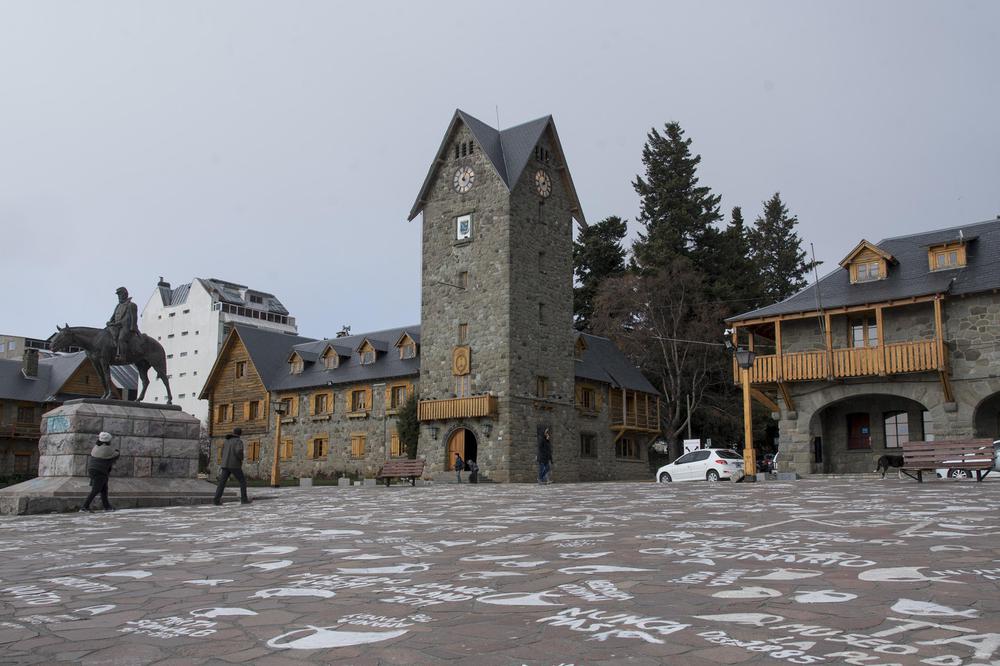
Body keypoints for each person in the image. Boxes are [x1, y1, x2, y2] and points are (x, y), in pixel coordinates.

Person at [81, 431, 120, 512]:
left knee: (104, 489)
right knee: (96, 489)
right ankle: (84, 507)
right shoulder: (107, 449)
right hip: (100, 471)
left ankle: (107, 507)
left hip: (93, 469)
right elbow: (116, 454)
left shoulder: (96, 447)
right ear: (108, 441)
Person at [214, 427, 251, 505]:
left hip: (225, 464)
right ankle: (244, 499)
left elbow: (222, 453)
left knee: (222, 483)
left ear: (233, 432)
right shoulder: (238, 441)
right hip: (234, 465)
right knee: (242, 481)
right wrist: (241, 458)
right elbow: (239, 451)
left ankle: (216, 500)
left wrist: (224, 460)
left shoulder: (226, 441)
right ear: (240, 434)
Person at [106, 286, 139, 363]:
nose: (119, 296)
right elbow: (113, 317)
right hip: (117, 326)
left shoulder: (131, 305)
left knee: (121, 338)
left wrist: (119, 323)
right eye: (118, 295)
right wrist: (110, 322)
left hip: (126, 327)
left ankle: (122, 356)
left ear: (125, 294)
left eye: (120, 294)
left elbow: (130, 319)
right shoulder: (118, 306)